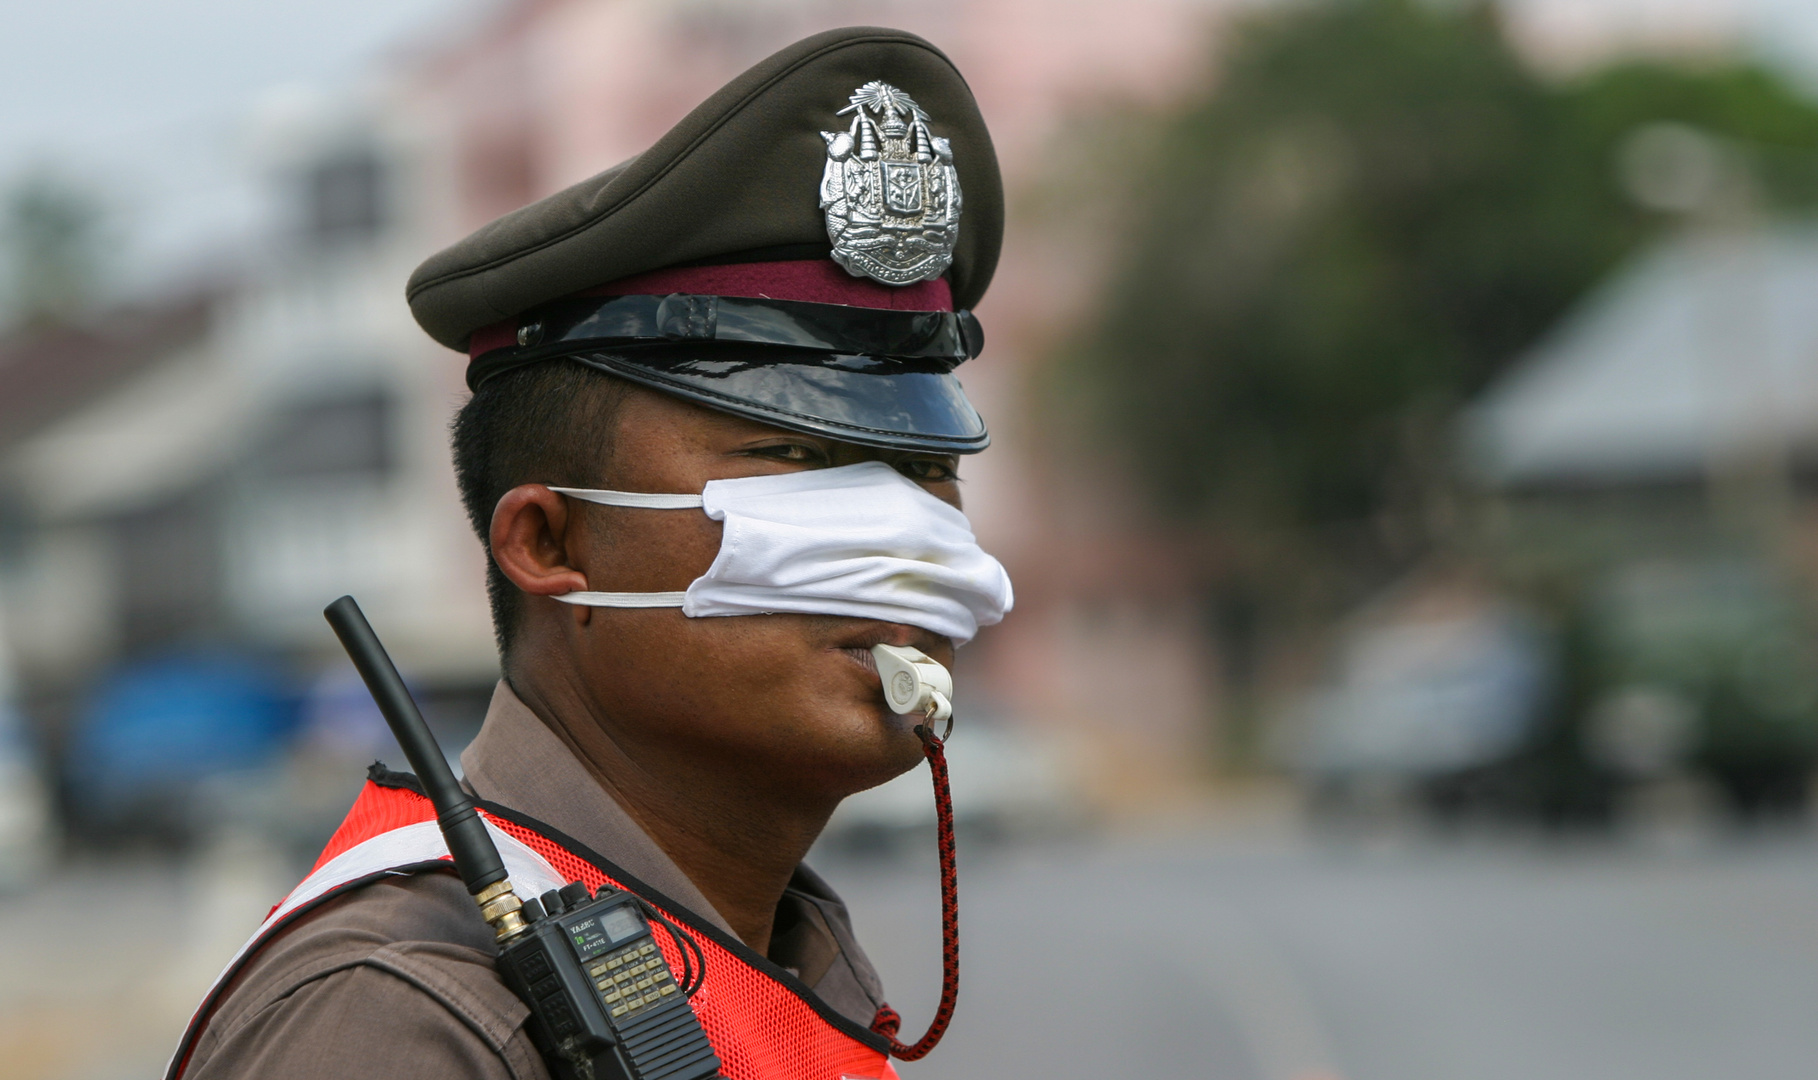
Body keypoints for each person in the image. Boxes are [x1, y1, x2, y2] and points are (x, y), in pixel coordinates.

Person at [167, 25, 1012, 1080]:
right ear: (548, 541)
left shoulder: (765, 949)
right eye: (799, 454)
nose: (906, 537)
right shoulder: (403, 1021)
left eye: (929, 468)